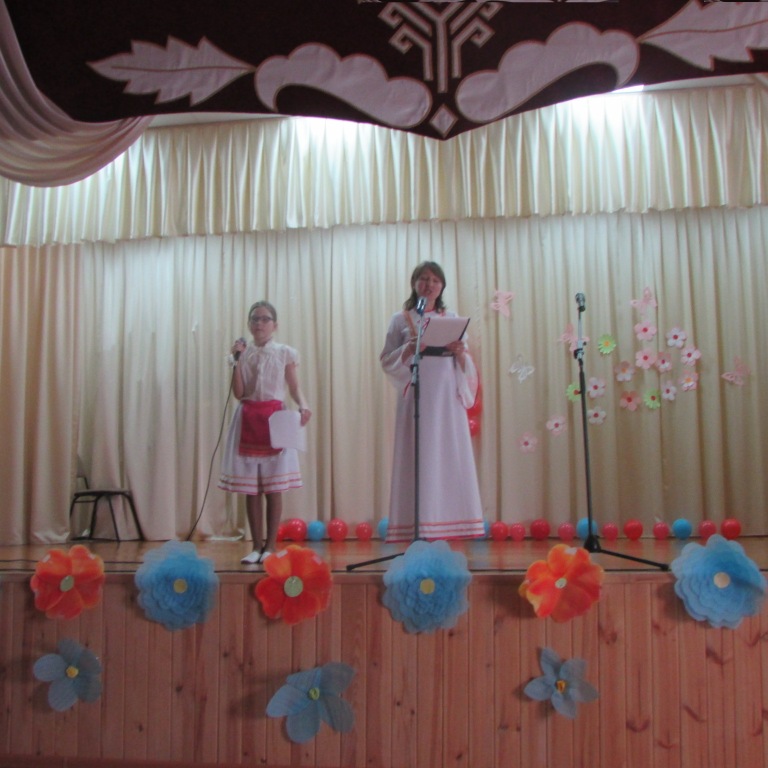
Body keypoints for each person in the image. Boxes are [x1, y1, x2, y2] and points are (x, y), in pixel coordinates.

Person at [380, 261, 485, 542]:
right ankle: (418, 524)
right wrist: (410, 348)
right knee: (419, 453)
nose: (430, 285)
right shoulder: (400, 319)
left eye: (435, 280)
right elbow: (387, 360)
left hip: (446, 395)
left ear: (442, 286)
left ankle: (447, 522)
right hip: (417, 393)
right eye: (424, 279)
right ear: (414, 283)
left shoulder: (452, 318)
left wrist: (460, 352)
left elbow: (465, 364)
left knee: (446, 452)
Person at [219, 301, 312, 564]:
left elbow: (294, 387)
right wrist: (236, 362)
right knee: (251, 488)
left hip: (275, 420)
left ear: (275, 325)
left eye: (265, 319)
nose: (259, 323)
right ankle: (256, 546)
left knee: (273, 487)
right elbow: (239, 393)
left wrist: (304, 405)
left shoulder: (285, 353)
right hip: (248, 417)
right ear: (249, 324)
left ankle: (270, 546)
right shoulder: (242, 354)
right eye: (254, 319)